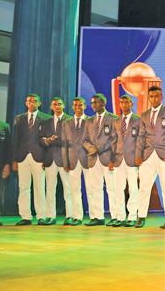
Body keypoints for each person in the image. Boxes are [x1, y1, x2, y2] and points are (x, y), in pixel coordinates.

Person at [135, 86, 165, 228]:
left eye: (157, 96)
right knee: (144, 187)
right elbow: (141, 136)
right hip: (147, 155)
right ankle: (141, 216)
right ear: (149, 98)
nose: (154, 99)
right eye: (151, 96)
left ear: (161, 97)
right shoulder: (145, 114)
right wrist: (138, 155)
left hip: (164, 155)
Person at [12, 93, 52, 225]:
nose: (32, 103)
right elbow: (15, 140)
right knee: (23, 187)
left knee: (39, 187)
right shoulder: (19, 118)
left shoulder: (46, 118)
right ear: (26, 103)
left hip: (39, 157)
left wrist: (47, 159)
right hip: (22, 157)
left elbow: (48, 141)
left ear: (39, 103)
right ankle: (25, 216)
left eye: (35, 101)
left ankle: (41, 216)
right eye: (29, 101)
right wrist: (14, 159)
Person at [82, 94, 119, 226]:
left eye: (96, 103)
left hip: (108, 157)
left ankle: (116, 216)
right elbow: (84, 140)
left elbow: (115, 139)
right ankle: (98, 216)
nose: (94, 105)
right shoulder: (89, 121)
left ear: (104, 103)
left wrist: (100, 148)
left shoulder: (114, 119)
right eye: (92, 103)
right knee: (95, 188)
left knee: (111, 188)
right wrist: (91, 148)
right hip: (93, 158)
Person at [40, 97, 73, 225]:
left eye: (59, 104)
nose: (57, 106)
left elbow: (72, 141)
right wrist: (48, 141)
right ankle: (50, 216)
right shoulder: (46, 122)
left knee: (68, 188)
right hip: (49, 158)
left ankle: (70, 215)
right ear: (51, 107)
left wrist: (57, 141)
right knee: (50, 188)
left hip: (65, 159)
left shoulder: (70, 120)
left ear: (63, 105)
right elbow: (41, 140)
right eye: (54, 104)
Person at [112, 95, 141, 227]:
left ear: (131, 104)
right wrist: (112, 158)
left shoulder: (138, 120)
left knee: (133, 189)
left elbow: (141, 141)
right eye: (121, 102)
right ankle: (120, 216)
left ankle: (132, 216)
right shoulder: (116, 121)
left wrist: (139, 157)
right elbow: (113, 141)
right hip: (118, 159)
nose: (124, 104)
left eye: (126, 102)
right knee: (118, 188)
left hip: (132, 159)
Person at [63, 97, 90, 226]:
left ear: (85, 106)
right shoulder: (66, 123)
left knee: (91, 189)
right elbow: (64, 145)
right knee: (74, 190)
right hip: (72, 160)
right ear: (72, 107)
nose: (78, 107)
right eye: (75, 105)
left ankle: (94, 216)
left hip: (88, 160)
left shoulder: (90, 121)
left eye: (80, 105)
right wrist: (65, 162)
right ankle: (77, 217)